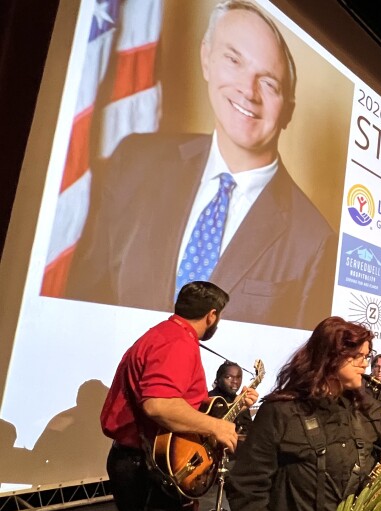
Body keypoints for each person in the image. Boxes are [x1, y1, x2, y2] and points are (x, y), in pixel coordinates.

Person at [66, 0, 335, 330]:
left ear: (288, 110)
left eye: (268, 82)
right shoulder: (135, 160)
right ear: (206, 58)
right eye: (233, 60)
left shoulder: (314, 239)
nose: (248, 91)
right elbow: (84, 299)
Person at [100, 281, 259, 511]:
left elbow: (179, 405)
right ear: (212, 316)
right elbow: (159, 405)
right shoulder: (176, 342)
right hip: (146, 466)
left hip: (148, 462)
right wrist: (216, 426)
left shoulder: (166, 335)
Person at [228, 317, 381, 511]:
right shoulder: (280, 411)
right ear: (329, 357)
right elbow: (246, 493)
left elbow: (376, 466)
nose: (365, 363)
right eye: (357, 356)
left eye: (367, 355)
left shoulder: (368, 411)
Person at [209, 360, 253, 436]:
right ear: (218, 378)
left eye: (238, 377)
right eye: (228, 377)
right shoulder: (209, 399)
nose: (235, 381)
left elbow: (249, 433)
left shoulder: (242, 402)